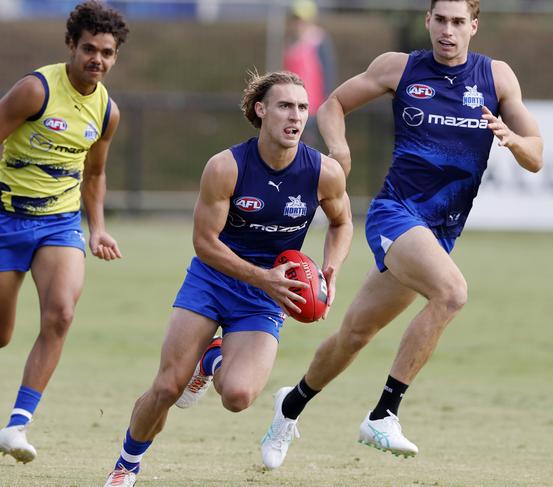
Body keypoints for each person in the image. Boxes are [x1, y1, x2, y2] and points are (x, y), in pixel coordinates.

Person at [260, 0, 543, 468]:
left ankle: (288, 407)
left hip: (438, 231)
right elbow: (333, 105)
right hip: (396, 213)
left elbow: (536, 155)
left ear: (474, 26)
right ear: (427, 21)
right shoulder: (401, 68)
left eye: (458, 22)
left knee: (355, 333)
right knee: (452, 293)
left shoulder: (496, 77)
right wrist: (339, 149)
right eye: (441, 20)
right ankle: (384, 412)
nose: (448, 31)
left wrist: (514, 142)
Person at [102, 70, 353, 487]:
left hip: (267, 293)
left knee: (237, 397)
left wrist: (331, 270)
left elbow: (342, 224)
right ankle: (126, 465)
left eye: (303, 108)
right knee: (167, 386)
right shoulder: (226, 167)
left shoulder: (323, 172)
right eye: (285, 106)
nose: (296, 116)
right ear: (261, 110)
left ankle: (212, 359)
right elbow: (204, 243)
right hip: (214, 279)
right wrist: (263, 278)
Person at [0, 0, 128, 464]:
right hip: (7, 220)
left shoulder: (107, 111)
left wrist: (97, 228)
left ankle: (17, 425)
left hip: (60, 223)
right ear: (72, 46)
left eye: (107, 52)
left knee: (61, 314)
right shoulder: (36, 90)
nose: (98, 59)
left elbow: (94, 174)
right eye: (90, 48)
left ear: (115, 57)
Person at [283, 0, 337, 148]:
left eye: (302, 20)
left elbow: (328, 71)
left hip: (312, 106)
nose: (298, 24)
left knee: (307, 145)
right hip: (290, 103)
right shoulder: (290, 41)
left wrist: (327, 101)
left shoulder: (319, 40)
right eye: (296, 19)